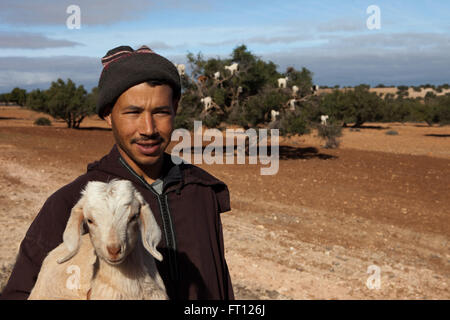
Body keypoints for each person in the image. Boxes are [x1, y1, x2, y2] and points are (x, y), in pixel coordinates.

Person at [0, 45, 234, 300]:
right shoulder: (69, 204)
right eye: (133, 112)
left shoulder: (201, 192)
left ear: (175, 108)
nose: (148, 128)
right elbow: (19, 293)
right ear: (108, 115)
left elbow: (220, 285)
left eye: (160, 112)